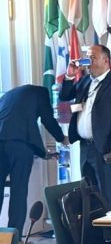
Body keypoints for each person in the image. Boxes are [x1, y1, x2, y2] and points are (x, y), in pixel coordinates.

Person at [60, 44, 111, 211]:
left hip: (104, 147)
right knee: (87, 192)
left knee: (106, 192)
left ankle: (110, 228)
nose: (88, 61)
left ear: (105, 61)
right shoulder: (85, 81)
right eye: (87, 57)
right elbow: (65, 95)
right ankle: (92, 227)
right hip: (85, 147)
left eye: (93, 57)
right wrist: (70, 76)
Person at [0, 84, 68, 233]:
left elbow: (13, 124)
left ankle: (2, 240)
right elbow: (47, 119)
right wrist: (61, 138)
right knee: (19, 191)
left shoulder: (8, 95)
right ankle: (14, 239)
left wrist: (43, 154)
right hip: (20, 146)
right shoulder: (41, 92)